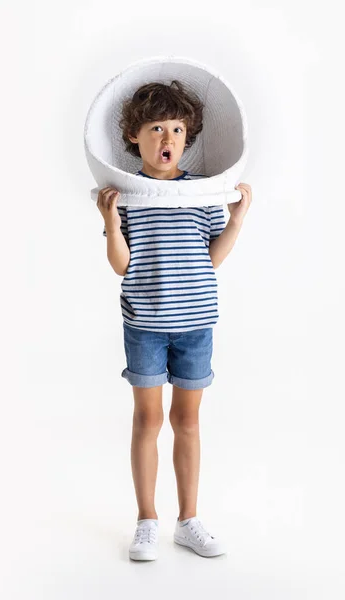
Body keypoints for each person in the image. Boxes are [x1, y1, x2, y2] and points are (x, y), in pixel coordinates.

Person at [96, 80, 252, 560]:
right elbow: (122, 265)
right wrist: (109, 220)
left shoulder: (202, 192)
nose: (168, 139)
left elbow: (212, 257)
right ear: (133, 137)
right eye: (156, 128)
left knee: (187, 420)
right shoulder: (128, 196)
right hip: (144, 322)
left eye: (179, 130)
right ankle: (146, 519)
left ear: (189, 137)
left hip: (196, 323)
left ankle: (189, 519)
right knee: (148, 419)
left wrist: (239, 217)